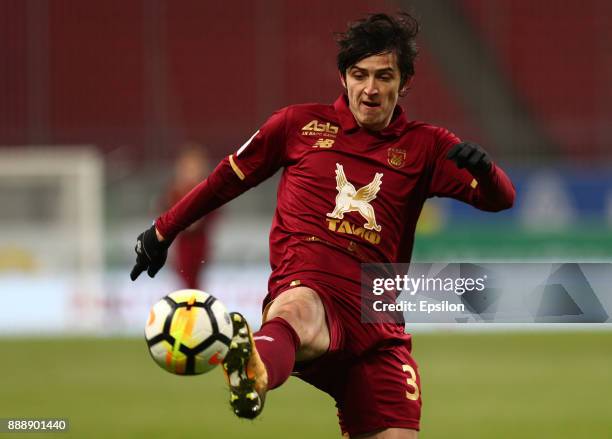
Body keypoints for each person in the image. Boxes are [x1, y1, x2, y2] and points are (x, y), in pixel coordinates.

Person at [130, 13, 515, 439]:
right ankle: (254, 367)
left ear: (404, 82)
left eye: (383, 76)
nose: (370, 89)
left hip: (377, 320)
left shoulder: (428, 146)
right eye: (359, 74)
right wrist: (164, 230)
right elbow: (225, 179)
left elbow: (500, 200)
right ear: (343, 77)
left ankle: (260, 357)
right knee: (298, 310)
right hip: (311, 282)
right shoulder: (297, 125)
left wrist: (489, 172)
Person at [162, 143, 216, 290]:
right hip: (183, 243)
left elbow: (214, 215)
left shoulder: (208, 189)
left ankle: (194, 305)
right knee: (184, 276)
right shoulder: (175, 190)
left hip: (199, 241)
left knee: (195, 277)